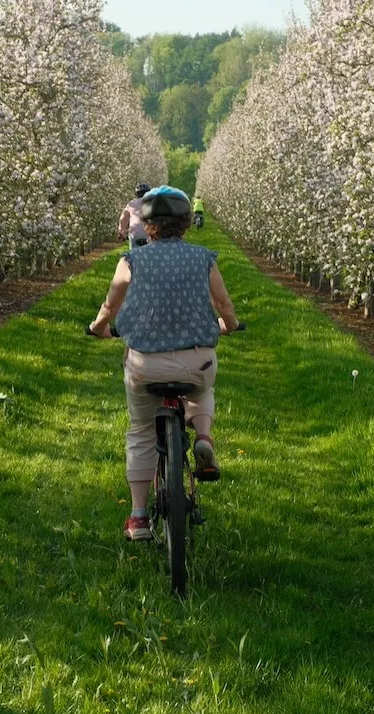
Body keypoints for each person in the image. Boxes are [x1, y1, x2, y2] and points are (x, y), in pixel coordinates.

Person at [88, 186, 240, 541]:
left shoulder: (131, 261)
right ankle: (202, 436)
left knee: (141, 430)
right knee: (202, 389)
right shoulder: (204, 258)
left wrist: (98, 328)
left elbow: (110, 307)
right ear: (186, 222)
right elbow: (224, 305)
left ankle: (139, 517)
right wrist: (229, 326)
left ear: (148, 223)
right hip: (195, 362)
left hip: (145, 365)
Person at [118, 183, 151, 249]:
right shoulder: (152, 202)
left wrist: (121, 232)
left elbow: (123, 219)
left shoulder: (131, 204)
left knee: (134, 255)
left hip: (135, 235)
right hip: (150, 234)